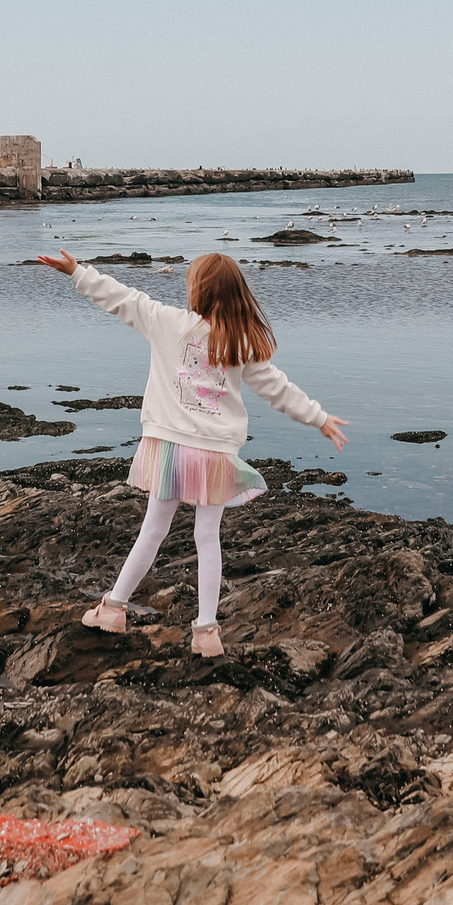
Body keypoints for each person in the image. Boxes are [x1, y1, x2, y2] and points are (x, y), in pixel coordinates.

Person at [35, 248, 348, 657]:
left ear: (197, 291)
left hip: (169, 447)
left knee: (153, 529)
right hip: (214, 455)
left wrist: (77, 271)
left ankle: (113, 608)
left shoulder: (168, 322)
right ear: (237, 294)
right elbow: (277, 388)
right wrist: (319, 418)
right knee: (207, 537)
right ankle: (206, 632)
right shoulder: (241, 342)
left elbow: (121, 297)